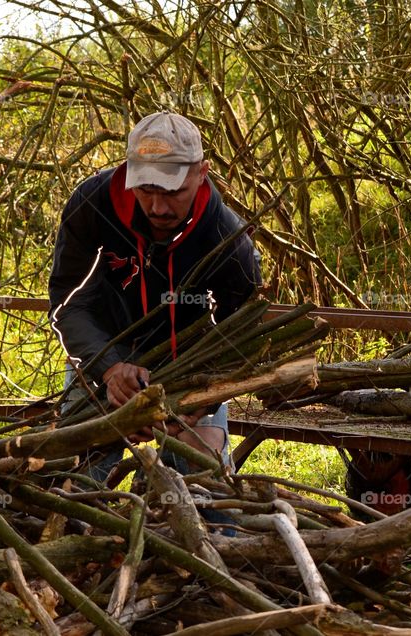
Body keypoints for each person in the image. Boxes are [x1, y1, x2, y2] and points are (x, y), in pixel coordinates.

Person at [48, 111, 261, 481]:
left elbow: (239, 334)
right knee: (75, 475)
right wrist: (111, 369)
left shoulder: (229, 238)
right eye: (146, 189)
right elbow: (67, 304)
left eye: (173, 191)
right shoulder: (92, 203)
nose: (158, 208)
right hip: (101, 352)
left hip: (189, 367)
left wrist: (203, 400)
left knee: (205, 473)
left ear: (202, 173)